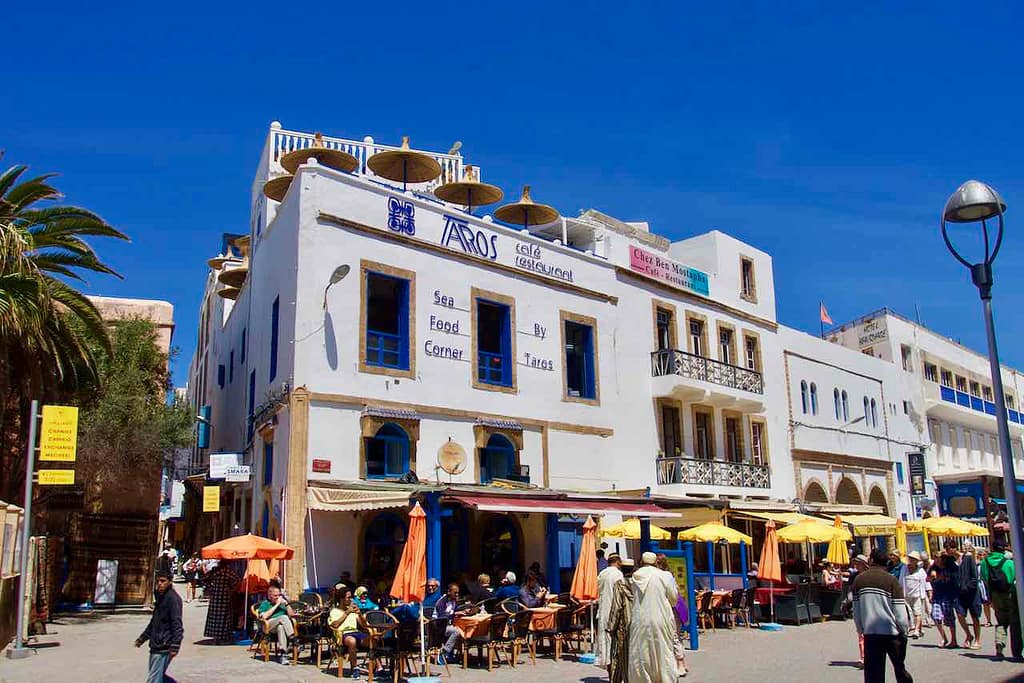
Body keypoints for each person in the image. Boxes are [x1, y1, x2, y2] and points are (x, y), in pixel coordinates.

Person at [852, 548, 912, 683]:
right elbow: (900, 612)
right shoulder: (891, 580)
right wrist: (904, 630)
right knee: (899, 668)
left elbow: (856, 611)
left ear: (871, 561)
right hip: (892, 633)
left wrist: (861, 629)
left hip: (871, 633)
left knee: (873, 674)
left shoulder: (859, 580)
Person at [628, 551, 680, 683]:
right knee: (663, 652)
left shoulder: (635, 577)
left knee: (641, 654)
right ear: (655, 562)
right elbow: (673, 599)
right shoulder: (664, 576)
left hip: (640, 620)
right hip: (661, 618)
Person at [136, 570, 183, 683]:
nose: (160, 584)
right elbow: (154, 622)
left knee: (154, 679)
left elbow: (177, 624)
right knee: (158, 676)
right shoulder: (161, 598)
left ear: (170, 582)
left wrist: (175, 645)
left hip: (164, 645)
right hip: (155, 644)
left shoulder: (173, 599)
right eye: (158, 581)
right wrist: (142, 638)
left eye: (163, 581)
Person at [981, 541, 1022, 660]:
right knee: (1015, 623)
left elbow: (984, 579)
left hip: (995, 595)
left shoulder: (985, 562)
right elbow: (1015, 578)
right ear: (1003, 549)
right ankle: (1017, 652)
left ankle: (999, 645)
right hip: (1009, 594)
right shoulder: (1009, 562)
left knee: (1001, 622)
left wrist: (990, 597)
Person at [606, 559, 634, 683]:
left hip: (623, 626)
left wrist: (611, 627)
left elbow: (616, 607)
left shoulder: (620, 584)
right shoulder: (639, 583)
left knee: (618, 657)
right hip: (638, 625)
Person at [328, 586, 366, 677]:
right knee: (352, 641)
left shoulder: (353, 610)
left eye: (351, 597)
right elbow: (335, 625)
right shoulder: (335, 611)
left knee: (373, 638)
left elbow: (364, 625)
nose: (351, 599)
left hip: (356, 632)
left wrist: (359, 614)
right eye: (348, 597)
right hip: (343, 634)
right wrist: (346, 613)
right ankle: (354, 668)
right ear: (342, 599)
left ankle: (379, 668)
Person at [595, 553, 624, 669]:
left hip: (603, 609)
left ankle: (606, 662)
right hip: (614, 609)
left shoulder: (602, 574)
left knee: (604, 638)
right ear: (617, 562)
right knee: (615, 640)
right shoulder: (618, 574)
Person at [256, 585, 296, 664]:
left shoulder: (282, 604)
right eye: (275, 596)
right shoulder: (265, 603)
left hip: (278, 626)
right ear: (269, 595)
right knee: (283, 617)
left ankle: (283, 654)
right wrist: (277, 605)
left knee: (281, 627)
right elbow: (264, 616)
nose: (277, 597)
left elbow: (292, 615)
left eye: (279, 595)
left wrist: (287, 604)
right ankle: (293, 639)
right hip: (268, 626)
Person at [202, 561, 240, 643]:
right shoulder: (228, 571)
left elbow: (204, 579)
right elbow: (237, 580)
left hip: (215, 596)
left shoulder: (214, 571)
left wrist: (210, 588)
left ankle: (216, 636)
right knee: (225, 616)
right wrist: (231, 590)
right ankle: (223, 636)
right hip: (225, 596)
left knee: (214, 617)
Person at [434, 582, 470, 664]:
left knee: (461, 629)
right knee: (456, 631)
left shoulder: (454, 601)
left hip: (448, 625)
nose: (457, 595)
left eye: (458, 593)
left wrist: (463, 611)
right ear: (449, 592)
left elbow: (456, 610)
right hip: (438, 626)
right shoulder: (441, 602)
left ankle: (450, 654)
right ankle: (444, 652)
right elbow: (442, 616)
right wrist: (455, 614)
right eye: (455, 593)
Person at [929, 552, 960, 648]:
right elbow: (927, 579)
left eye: (938, 558)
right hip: (937, 596)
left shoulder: (950, 567)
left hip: (948, 596)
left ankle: (953, 640)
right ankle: (944, 638)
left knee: (949, 618)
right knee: (935, 616)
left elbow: (956, 578)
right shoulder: (933, 568)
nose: (936, 559)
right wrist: (932, 576)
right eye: (935, 557)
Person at [955, 542, 982, 650]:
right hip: (960, 593)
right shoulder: (955, 560)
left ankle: (977, 640)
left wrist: (967, 586)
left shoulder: (969, 558)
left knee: (975, 617)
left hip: (971, 593)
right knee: (960, 615)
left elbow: (974, 576)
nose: (965, 548)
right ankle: (968, 634)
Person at [901, 552, 927, 638]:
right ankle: (916, 628)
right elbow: (901, 580)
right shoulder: (904, 569)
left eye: (913, 559)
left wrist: (926, 595)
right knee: (908, 612)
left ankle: (916, 631)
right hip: (906, 595)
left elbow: (924, 582)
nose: (911, 561)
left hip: (917, 595)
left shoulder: (921, 571)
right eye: (910, 558)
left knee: (917, 613)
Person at [976, 547, 993, 627]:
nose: (982, 556)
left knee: (992, 603)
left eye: (984, 555)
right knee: (985, 604)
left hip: (987, 584)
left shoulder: (989, 564)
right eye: (980, 555)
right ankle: (988, 620)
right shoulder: (977, 564)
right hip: (980, 585)